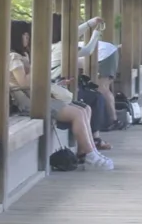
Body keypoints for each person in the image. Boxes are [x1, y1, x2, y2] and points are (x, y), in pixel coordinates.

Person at [8, 20, 114, 170]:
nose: (28, 38)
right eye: (25, 35)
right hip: (30, 101)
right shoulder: (13, 57)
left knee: (85, 109)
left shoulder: (24, 54)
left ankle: (87, 151)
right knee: (77, 114)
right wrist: (36, 64)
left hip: (39, 96)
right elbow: (24, 82)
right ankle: (91, 154)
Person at [51, 14, 114, 146]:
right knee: (96, 98)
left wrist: (90, 23)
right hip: (57, 89)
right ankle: (94, 139)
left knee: (91, 98)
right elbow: (88, 50)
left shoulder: (52, 44)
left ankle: (92, 140)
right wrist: (96, 33)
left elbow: (72, 34)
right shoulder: (62, 46)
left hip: (56, 85)